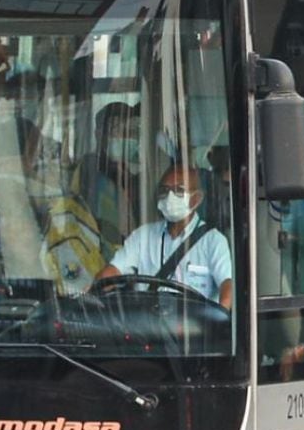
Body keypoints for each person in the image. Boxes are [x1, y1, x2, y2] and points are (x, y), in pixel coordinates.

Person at [95, 165, 235, 310]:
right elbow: (113, 272)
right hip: (147, 326)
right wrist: (92, 294)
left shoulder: (213, 241)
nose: (169, 197)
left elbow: (227, 286)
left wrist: (217, 320)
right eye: (165, 190)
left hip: (194, 328)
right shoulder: (143, 236)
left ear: (196, 199)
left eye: (179, 190)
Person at [78, 102, 144, 249]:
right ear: (99, 134)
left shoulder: (138, 176)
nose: (126, 137)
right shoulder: (89, 172)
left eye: (131, 132)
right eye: (116, 130)